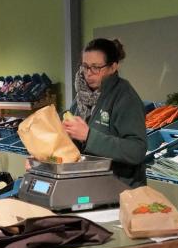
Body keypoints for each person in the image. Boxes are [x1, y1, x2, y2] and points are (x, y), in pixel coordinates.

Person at [63, 38, 147, 187]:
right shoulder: (81, 98)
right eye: (85, 66)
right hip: (88, 186)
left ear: (113, 67)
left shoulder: (125, 97)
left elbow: (137, 150)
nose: (88, 73)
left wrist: (89, 137)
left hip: (120, 191)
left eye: (96, 67)